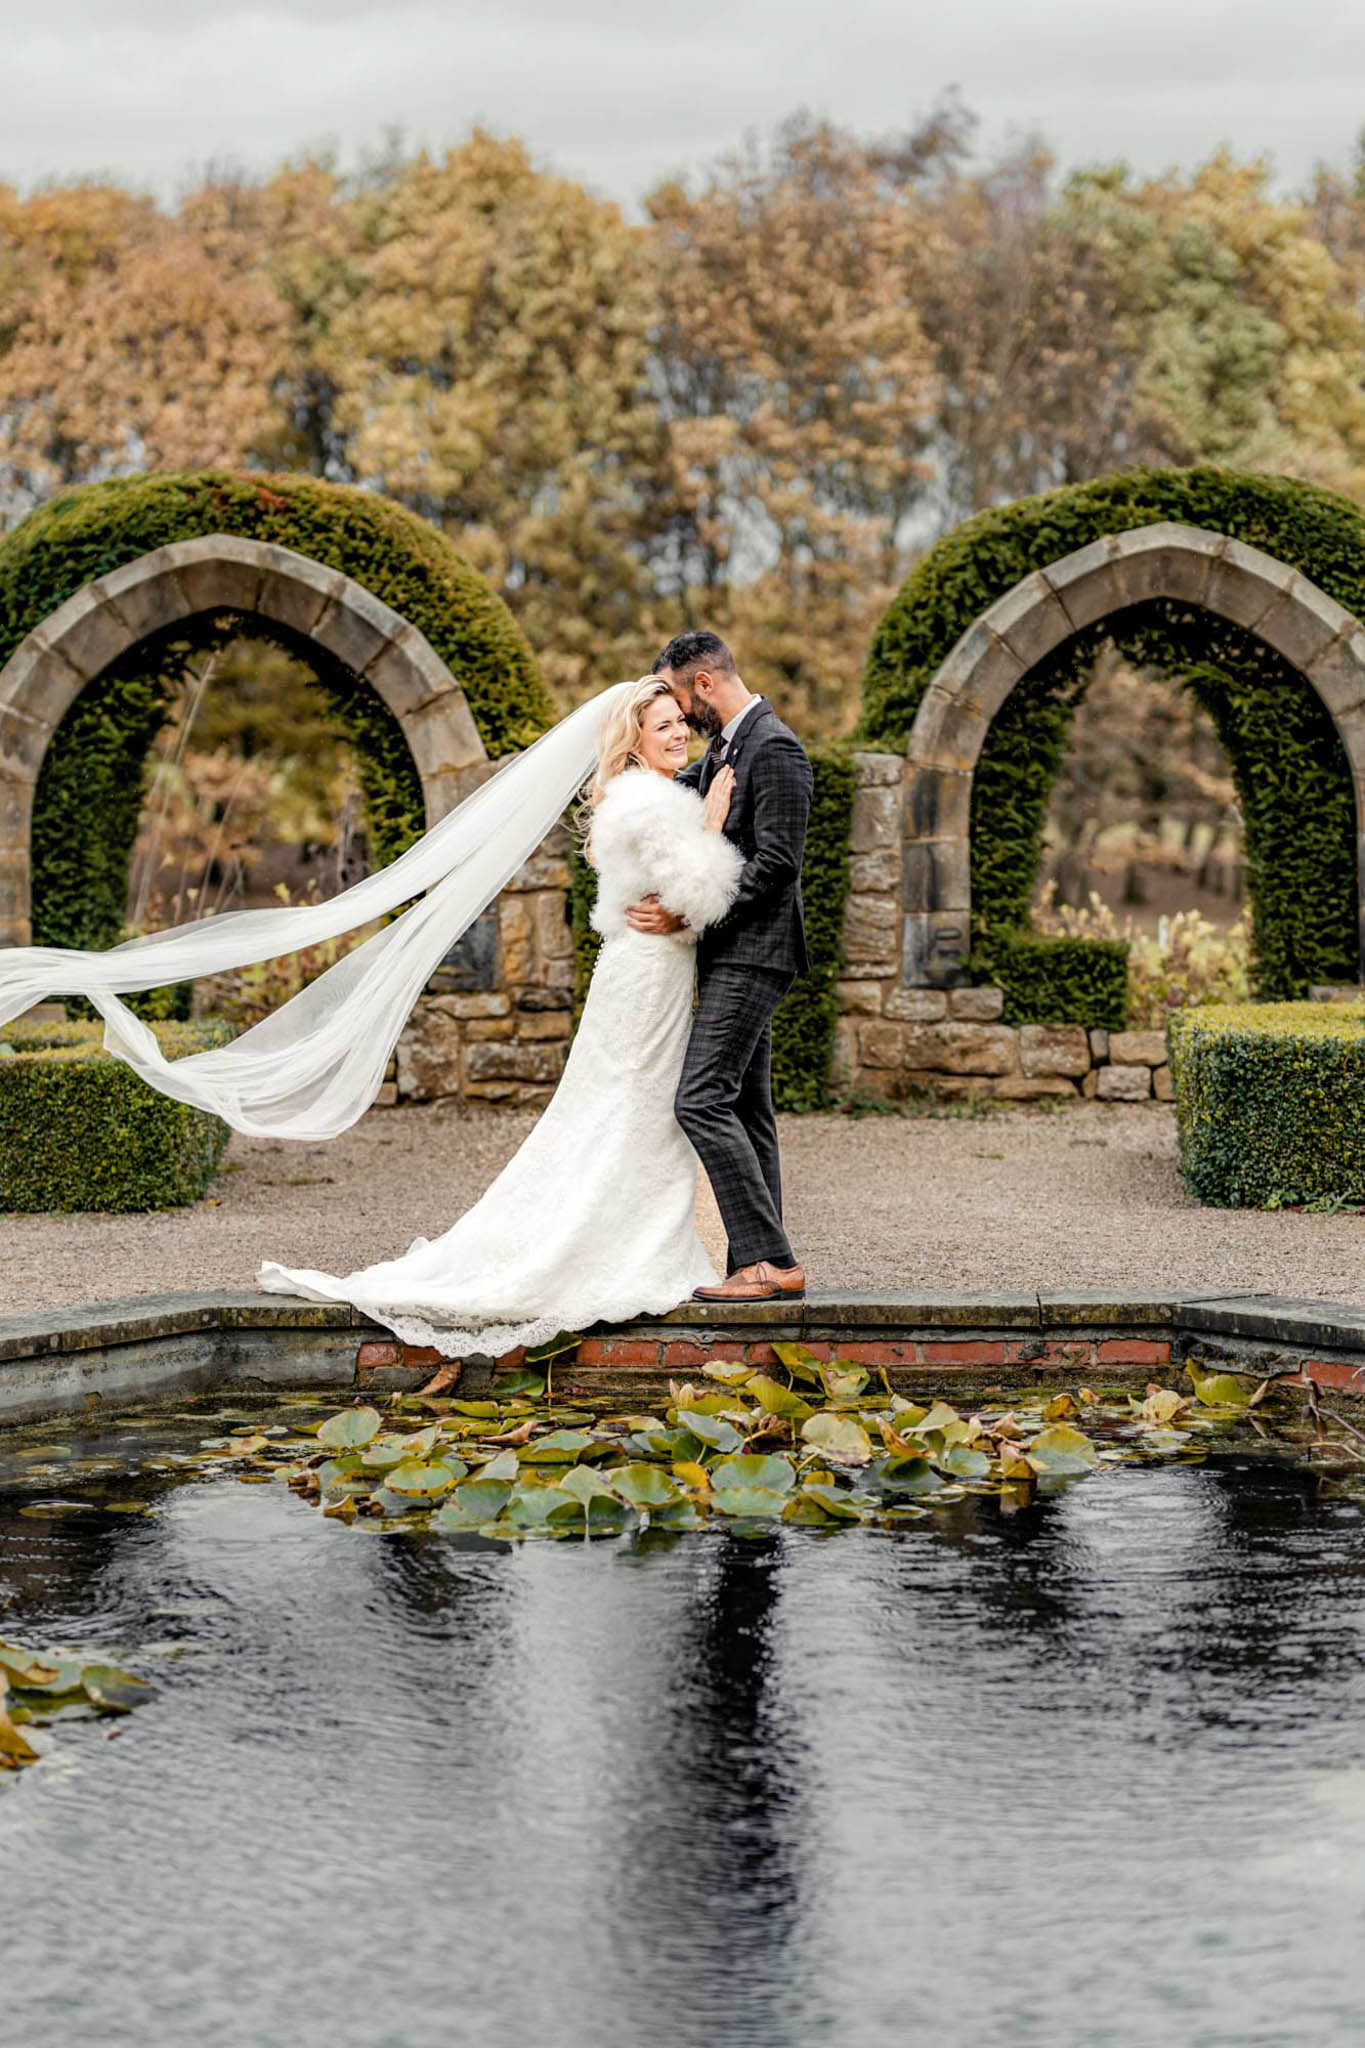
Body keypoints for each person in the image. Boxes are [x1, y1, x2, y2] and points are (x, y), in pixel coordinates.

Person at [256, 675, 745, 1359]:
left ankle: (624, 1239)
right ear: (631, 739)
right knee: (635, 1107)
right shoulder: (647, 799)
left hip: (641, 971)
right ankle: (622, 1252)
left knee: (619, 1107)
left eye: (678, 722)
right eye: (660, 724)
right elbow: (701, 890)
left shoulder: (638, 795)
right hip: (647, 973)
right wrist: (716, 816)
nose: (676, 733)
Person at [634, 631, 813, 1303]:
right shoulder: (729, 749)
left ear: (703, 683)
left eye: (680, 702)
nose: (681, 719)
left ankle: (768, 1261)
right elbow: (665, 793)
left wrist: (689, 912)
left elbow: (777, 866)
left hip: (755, 952)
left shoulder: (775, 749)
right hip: (735, 953)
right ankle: (757, 1262)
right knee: (746, 1108)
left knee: (700, 1098)